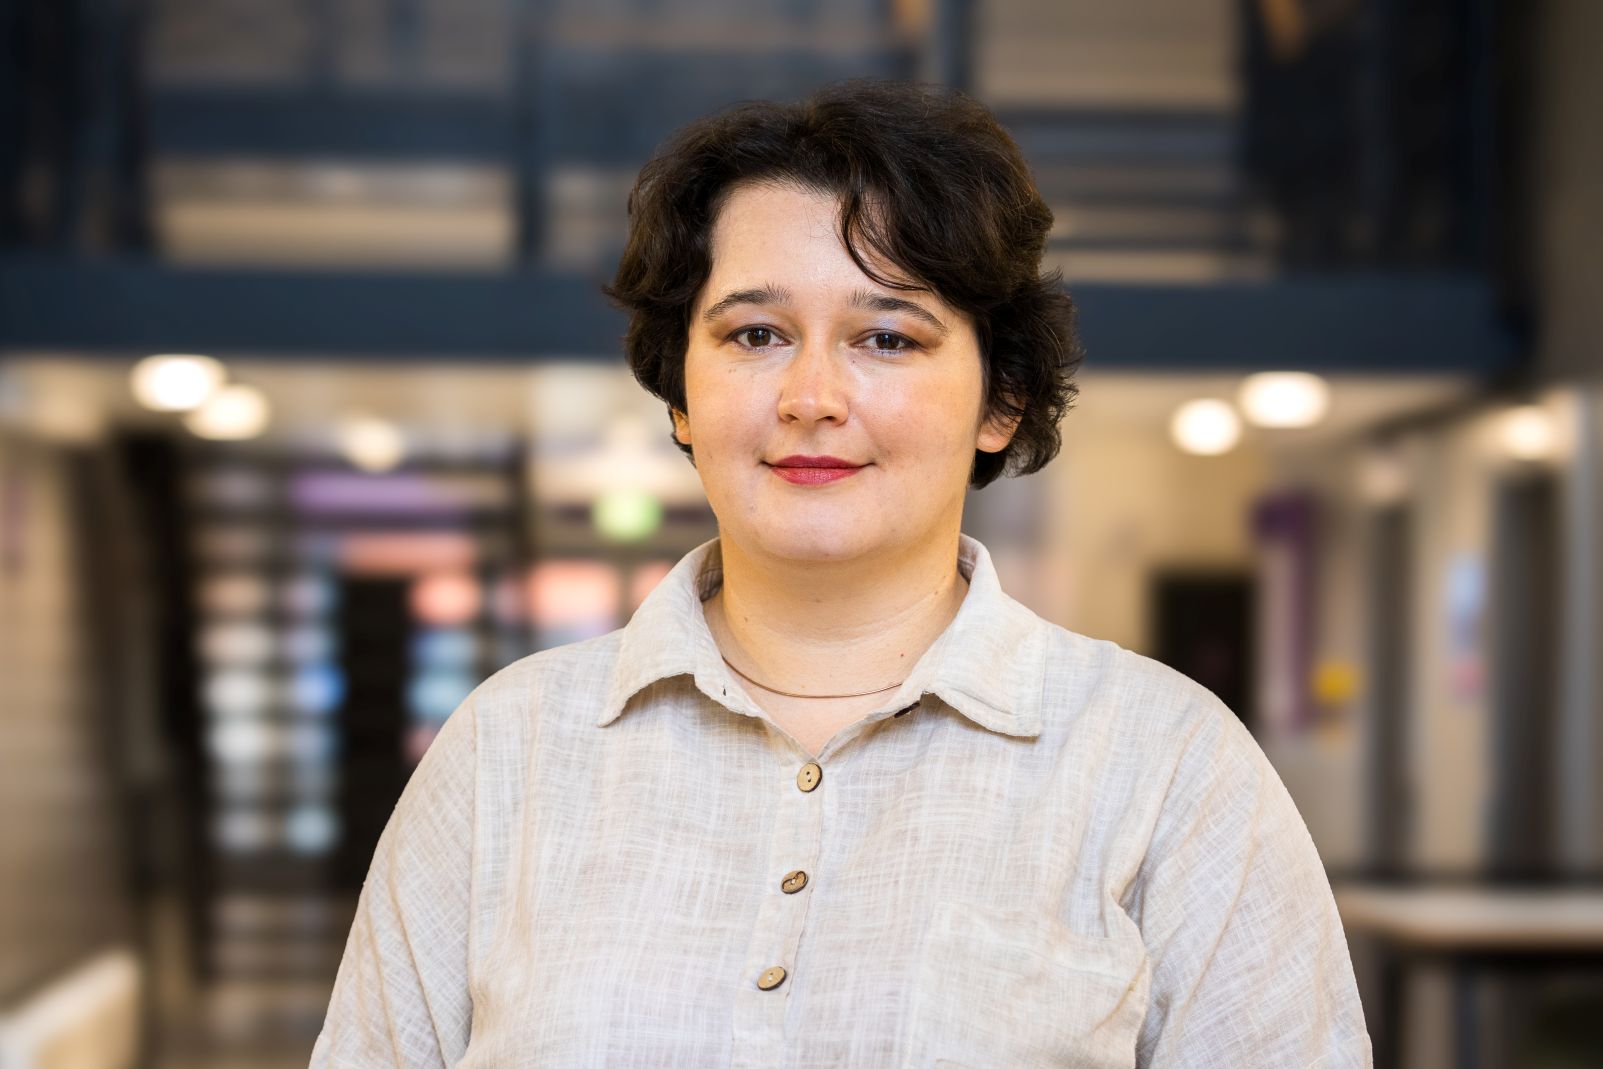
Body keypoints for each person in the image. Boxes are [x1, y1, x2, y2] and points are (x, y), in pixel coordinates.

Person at [311, 81, 1372, 1067]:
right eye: (755, 333)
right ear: (680, 395)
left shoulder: (1163, 764)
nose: (811, 396)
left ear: (1000, 399)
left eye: (888, 338)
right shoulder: (508, 750)